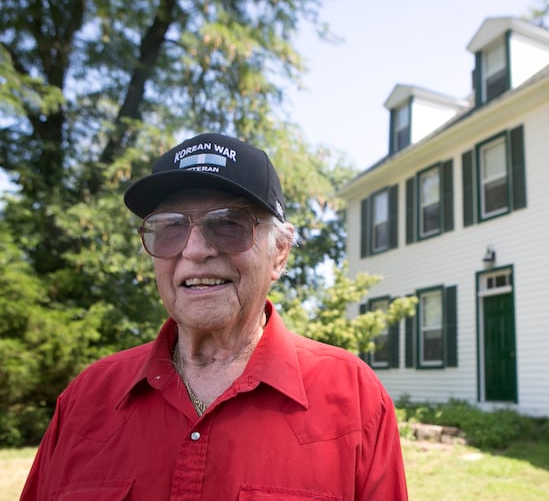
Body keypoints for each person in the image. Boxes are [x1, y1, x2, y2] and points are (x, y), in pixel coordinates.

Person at [21, 133, 408, 500]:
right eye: (170, 227)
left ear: (279, 253)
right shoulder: (85, 400)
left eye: (228, 224)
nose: (195, 249)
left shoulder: (354, 400)